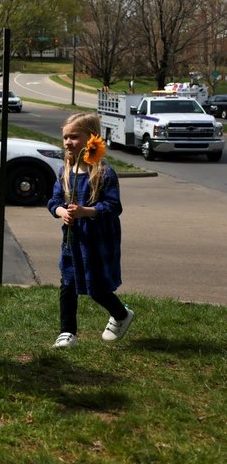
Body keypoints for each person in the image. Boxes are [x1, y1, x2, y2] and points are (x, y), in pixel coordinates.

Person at [48, 112, 133, 349]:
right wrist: (61, 212)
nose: (67, 142)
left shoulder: (104, 173)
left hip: (98, 240)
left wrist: (88, 211)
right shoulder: (65, 172)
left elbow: (114, 206)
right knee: (68, 284)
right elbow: (54, 201)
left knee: (97, 288)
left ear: (91, 138)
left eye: (74, 137)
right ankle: (67, 333)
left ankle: (121, 314)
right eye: (65, 137)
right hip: (73, 240)